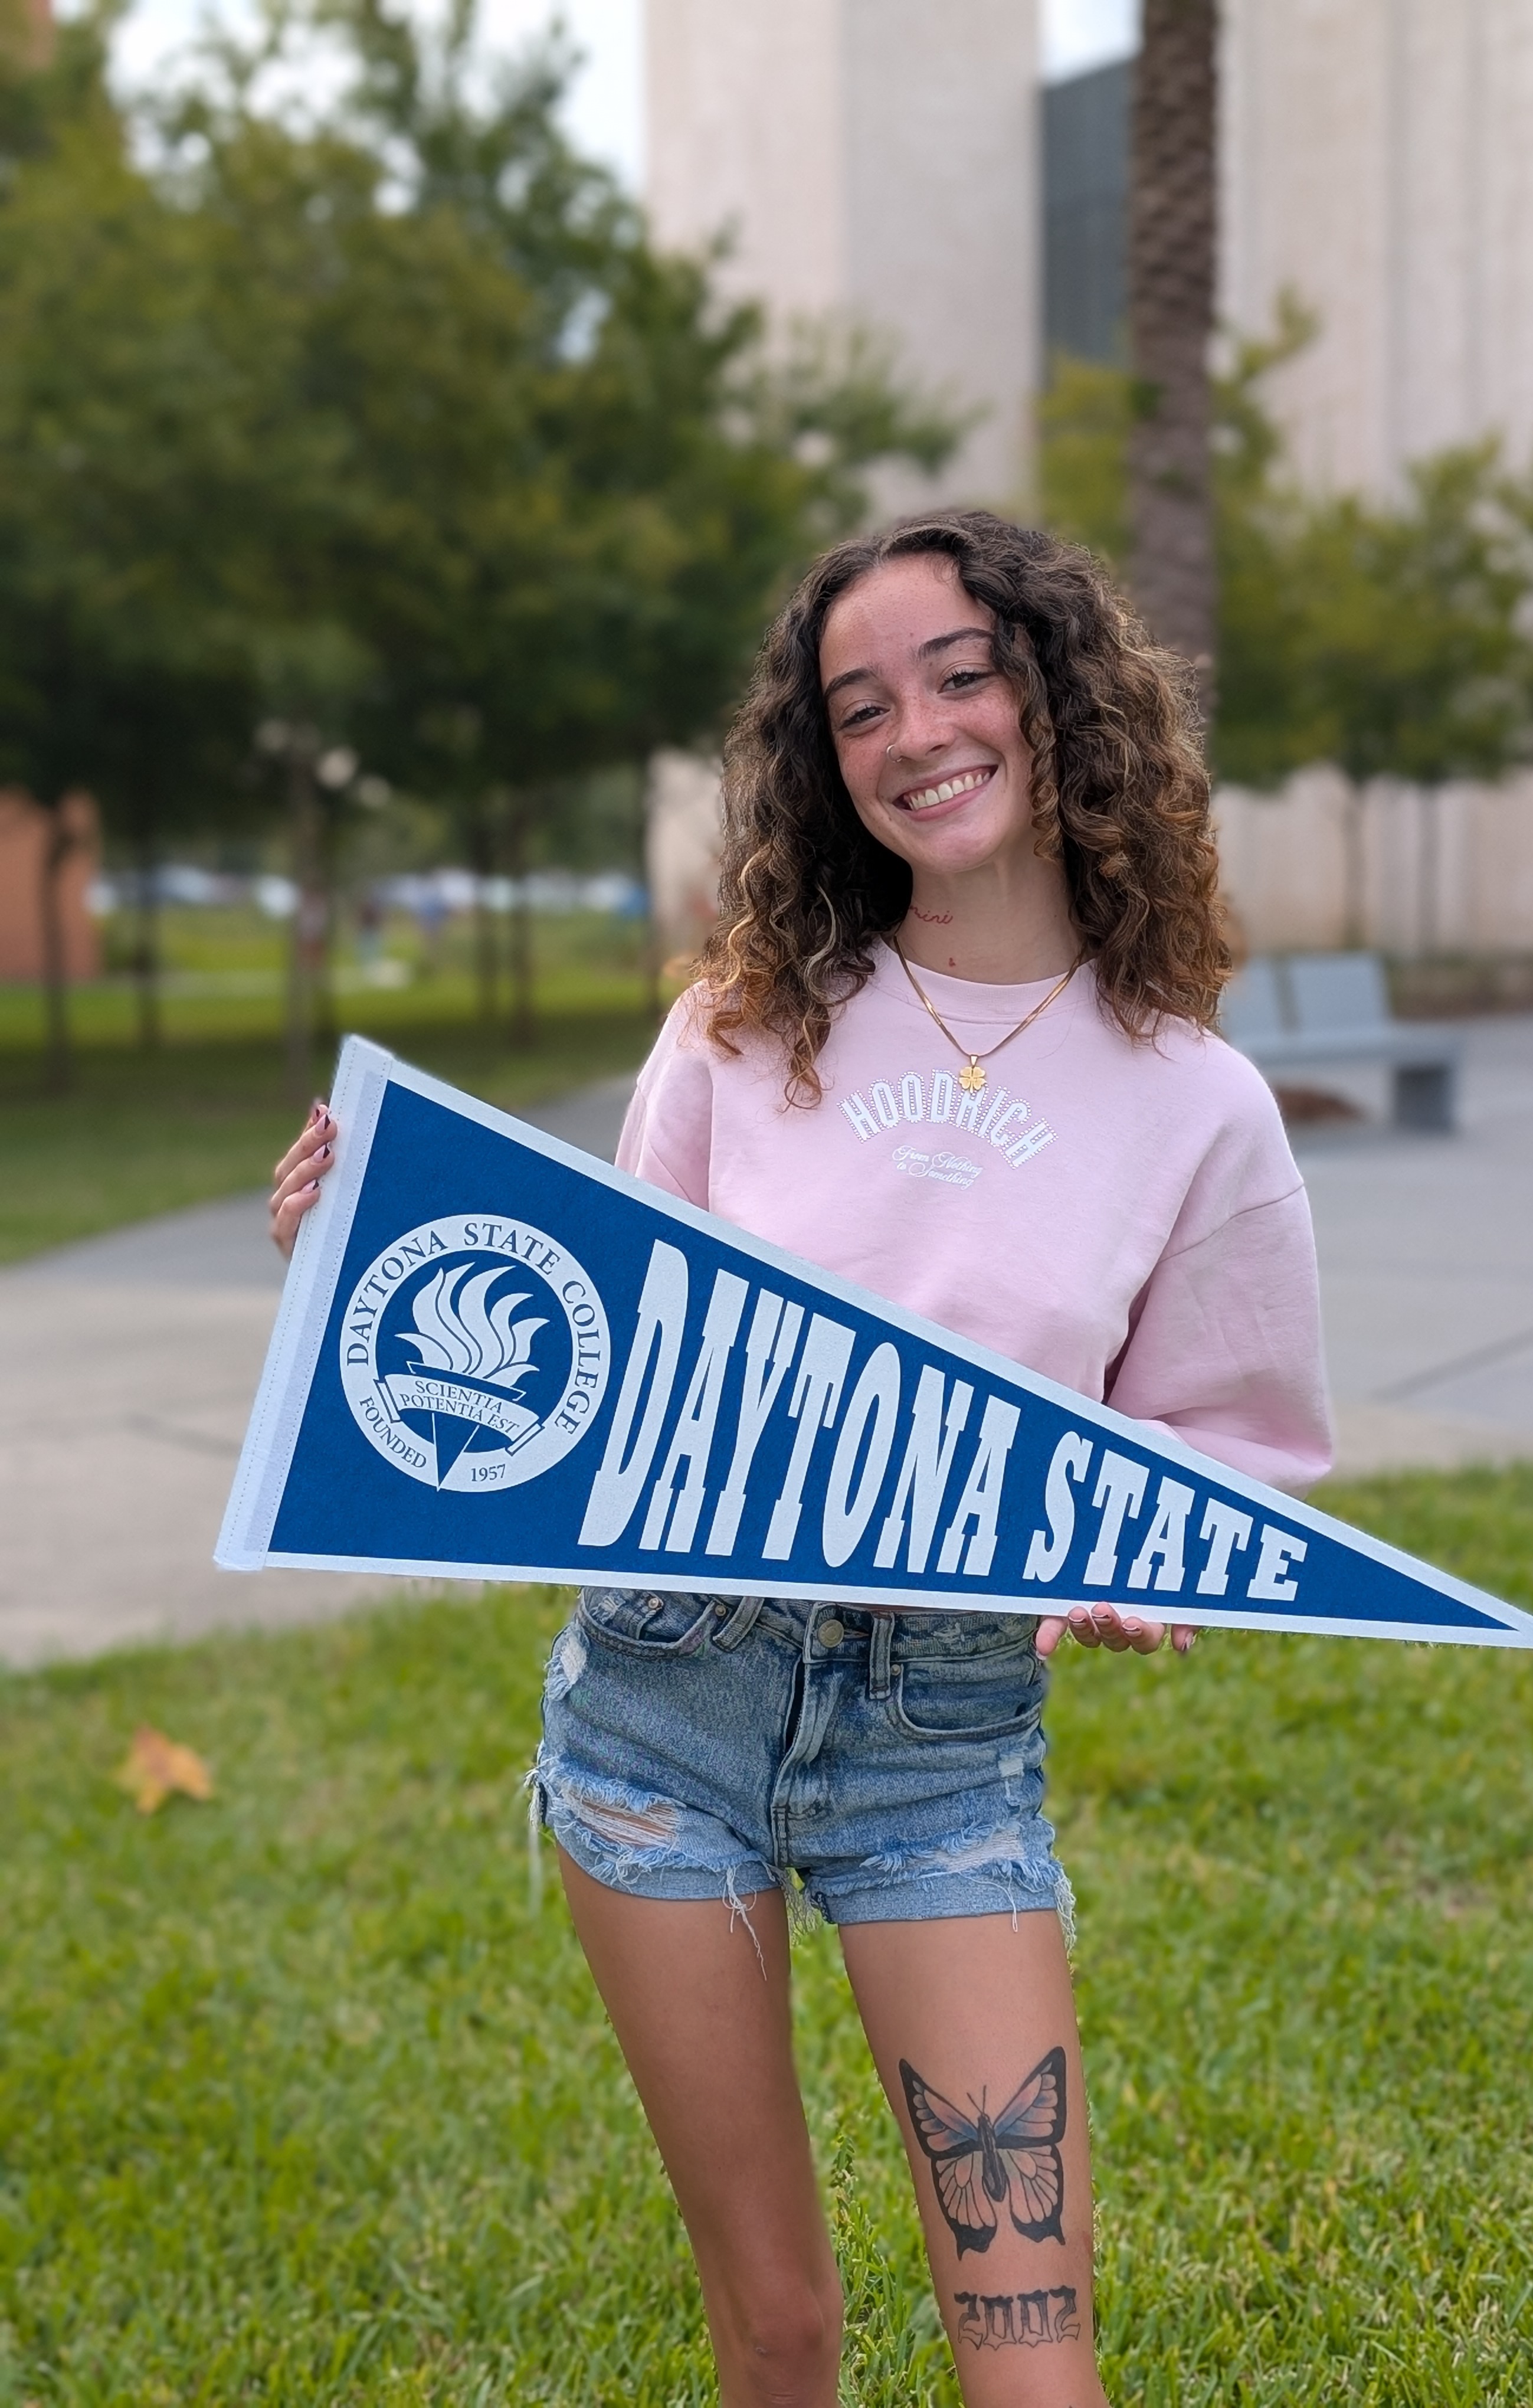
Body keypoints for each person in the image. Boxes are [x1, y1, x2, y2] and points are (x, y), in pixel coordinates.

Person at [269, 511, 1332, 2408]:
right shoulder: (741, 1030)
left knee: (1036, 2361)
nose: (916, 730)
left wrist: (1147, 1550)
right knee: (779, 2335)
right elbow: (611, 1359)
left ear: (1057, 697)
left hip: (940, 1745)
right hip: (664, 1705)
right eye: (860, 707)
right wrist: (382, 1252)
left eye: (960, 673)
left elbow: (1236, 1441)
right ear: (823, 759)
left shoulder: (1194, 1099)